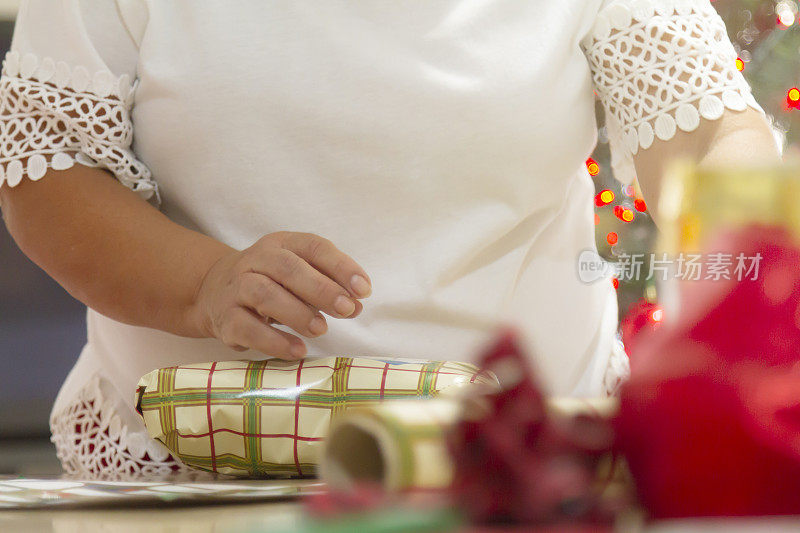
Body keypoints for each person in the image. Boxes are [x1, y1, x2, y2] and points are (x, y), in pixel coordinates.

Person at [0, 0, 781, 478]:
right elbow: (48, 171)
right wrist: (204, 283)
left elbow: (709, 132)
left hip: (519, 473)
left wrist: (740, 270)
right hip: (189, 474)